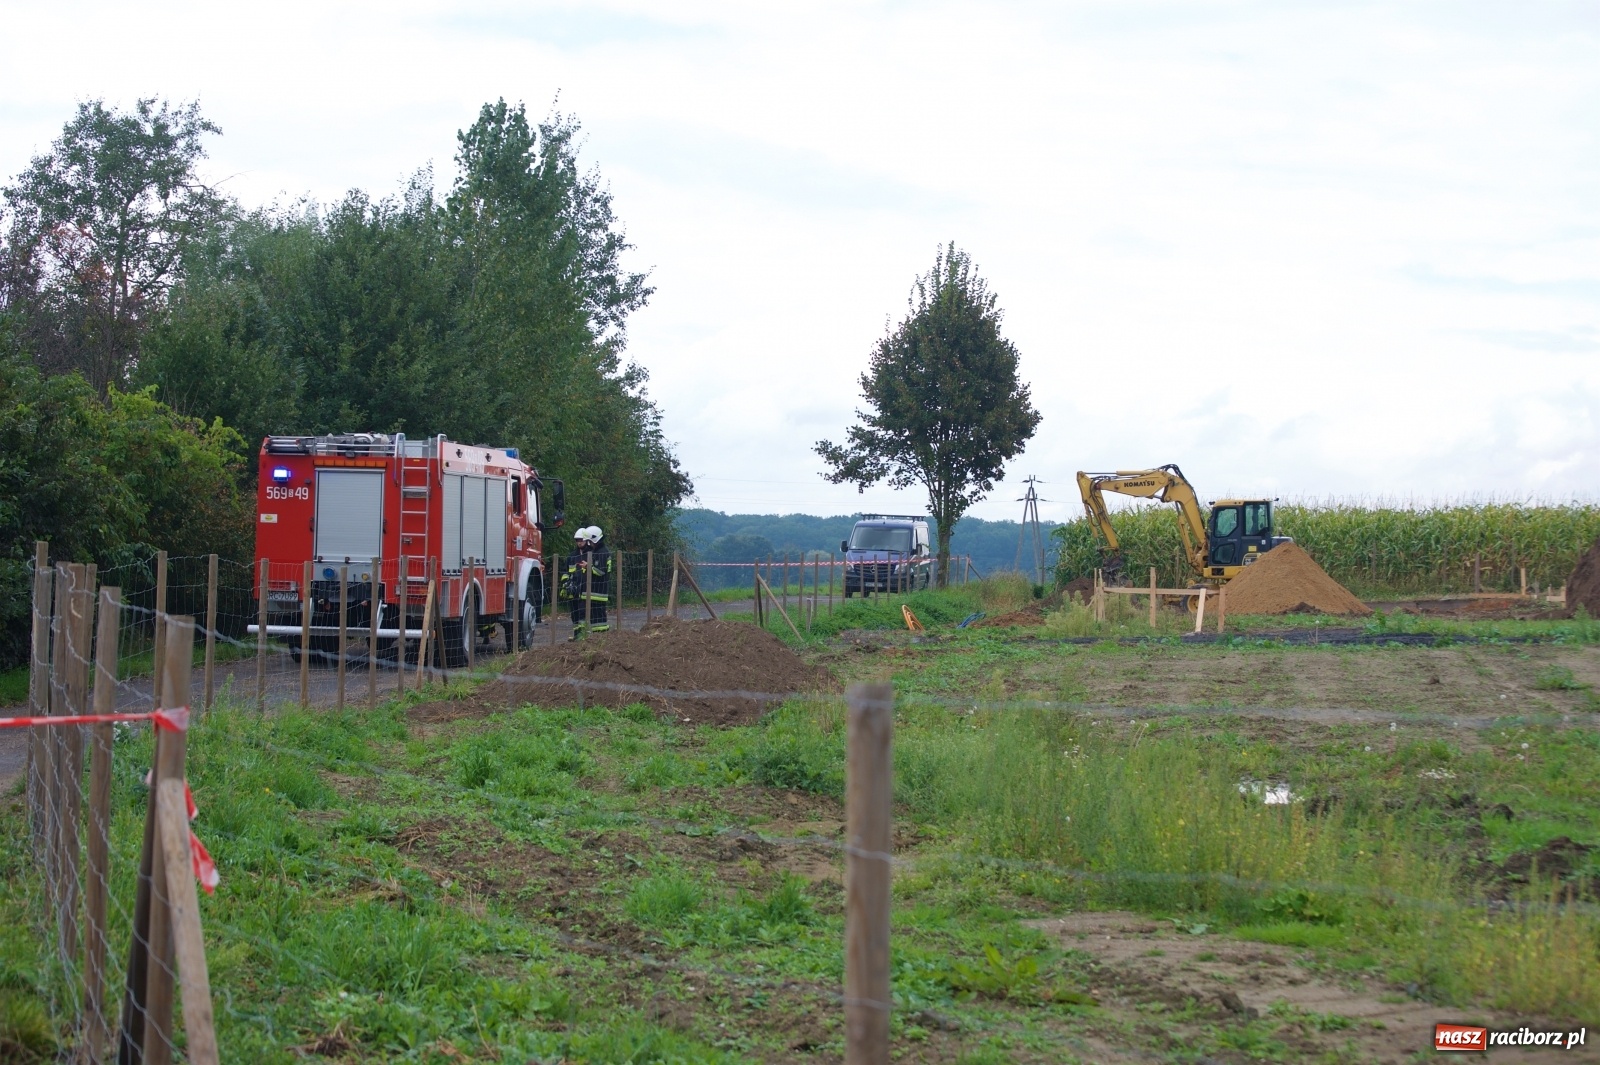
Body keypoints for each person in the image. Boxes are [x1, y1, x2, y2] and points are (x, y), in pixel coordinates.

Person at [563, 526, 613, 638]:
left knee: (598, 620)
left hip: (596, 593)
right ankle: (582, 638)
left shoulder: (601, 552)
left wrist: (588, 566)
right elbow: (565, 571)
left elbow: (600, 571)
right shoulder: (575, 555)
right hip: (586, 592)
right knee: (582, 616)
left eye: (588, 541)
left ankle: (601, 639)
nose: (587, 543)